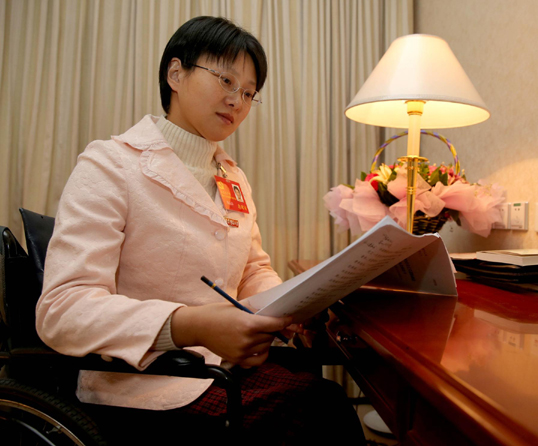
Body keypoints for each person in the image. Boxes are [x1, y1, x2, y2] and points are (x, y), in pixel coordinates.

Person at [36, 16, 366, 445]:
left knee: (325, 400)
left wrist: (289, 305)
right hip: (143, 386)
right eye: (226, 80)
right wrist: (189, 326)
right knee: (318, 412)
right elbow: (62, 310)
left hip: (221, 369)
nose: (238, 101)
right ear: (176, 73)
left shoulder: (232, 177)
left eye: (249, 93)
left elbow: (251, 269)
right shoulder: (110, 165)